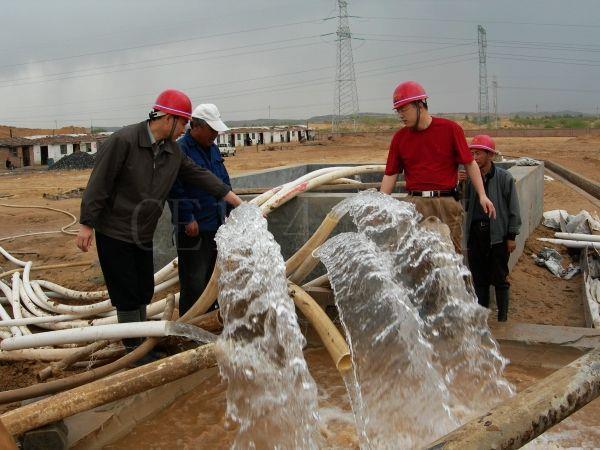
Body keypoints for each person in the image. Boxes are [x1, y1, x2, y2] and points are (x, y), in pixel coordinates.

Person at [76, 89, 243, 352]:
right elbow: (99, 183)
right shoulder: (124, 141)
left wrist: (235, 201)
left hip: (142, 232)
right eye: (183, 123)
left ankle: (141, 342)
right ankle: (134, 349)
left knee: (143, 288)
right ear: (168, 118)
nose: (184, 129)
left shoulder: (171, 151)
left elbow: (198, 174)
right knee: (127, 293)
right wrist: (87, 223)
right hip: (114, 231)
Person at [380, 81, 496, 253]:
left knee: (450, 260)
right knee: (417, 261)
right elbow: (390, 174)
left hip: (446, 203)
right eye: (398, 111)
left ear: (420, 105)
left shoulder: (450, 129)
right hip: (414, 204)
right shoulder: (400, 138)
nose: (401, 115)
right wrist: (380, 205)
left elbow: (469, 163)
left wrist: (482, 195)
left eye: (404, 109)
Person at [168, 104, 231, 316]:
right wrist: (187, 218)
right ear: (197, 126)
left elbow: (223, 182)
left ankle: (211, 318)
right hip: (194, 227)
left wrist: (231, 210)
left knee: (213, 277)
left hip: (215, 223)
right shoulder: (180, 149)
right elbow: (174, 188)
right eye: (211, 130)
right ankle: (191, 324)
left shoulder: (212, 148)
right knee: (194, 280)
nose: (215, 134)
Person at [464, 135, 521, 321]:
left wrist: (511, 236)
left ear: (490, 155)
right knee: (479, 280)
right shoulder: (469, 179)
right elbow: (461, 203)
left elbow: (513, 208)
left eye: (478, 153)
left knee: (500, 278)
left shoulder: (505, 179)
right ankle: (483, 318)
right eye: (472, 153)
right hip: (476, 236)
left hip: (497, 237)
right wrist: (458, 183)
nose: (474, 157)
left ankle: (502, 318)